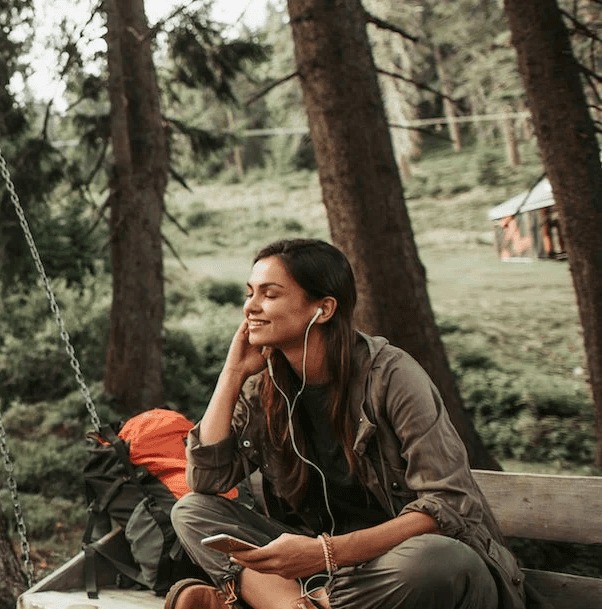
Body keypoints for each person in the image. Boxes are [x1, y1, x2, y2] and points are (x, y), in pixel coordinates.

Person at [164, 239, 526, 609]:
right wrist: (232, 373)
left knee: (438, 560)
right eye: (250, 293)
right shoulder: (265, 387)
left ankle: (280, 603)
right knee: (193, 512)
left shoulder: (392, 377)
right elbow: (206, 481)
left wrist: (327, 553)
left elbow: (448, 504)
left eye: (269, 295)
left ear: (323, 309)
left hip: (395, 568)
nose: (250, 307)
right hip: (324, 572)